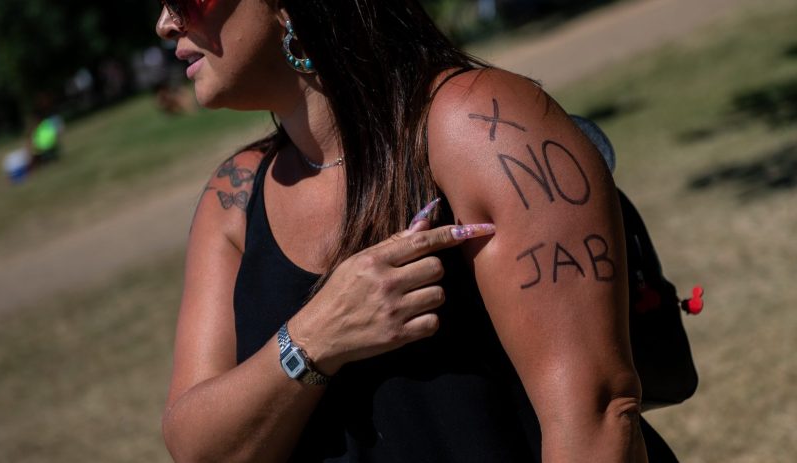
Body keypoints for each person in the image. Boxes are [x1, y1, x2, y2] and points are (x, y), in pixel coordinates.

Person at [155, 1, 677, 461]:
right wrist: (315, 336)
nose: (165, 23)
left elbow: (597, 418)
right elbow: (199, 447)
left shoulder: (477, 123)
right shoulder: (236, 196)